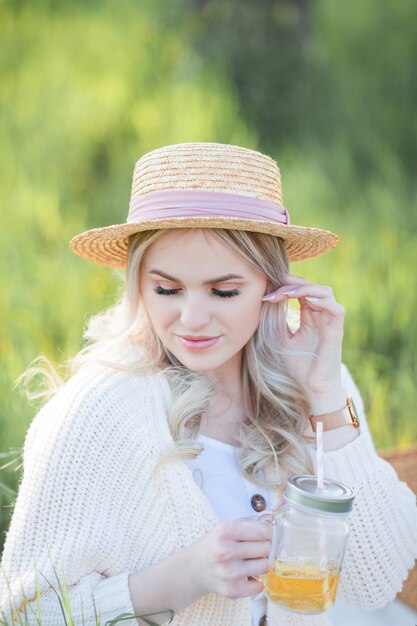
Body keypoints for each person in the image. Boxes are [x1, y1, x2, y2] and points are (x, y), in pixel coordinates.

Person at [0, 142, 416, 626]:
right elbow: (28, 612)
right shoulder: (99, 409)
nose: (192, 320)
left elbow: (378, 578)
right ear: (138, 284)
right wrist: (183, 576)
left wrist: (324, 392)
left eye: (223, 291)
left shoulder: (316, 380)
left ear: (273, 287)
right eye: (167, 289)